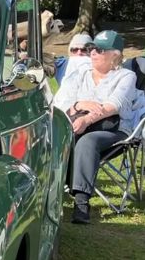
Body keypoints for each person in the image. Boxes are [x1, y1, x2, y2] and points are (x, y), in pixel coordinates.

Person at [53, 30, 137, 224]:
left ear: (115, 55)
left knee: (87, 141)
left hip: (115, 132)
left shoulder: (126, 76)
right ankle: (49, 191)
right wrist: (80, 105)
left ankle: (81, 203)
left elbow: (113, 106)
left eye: (99, 50)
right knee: (58, 135)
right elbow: (66, 102)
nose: (92, 53)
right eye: (91, 48)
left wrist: (86, 119)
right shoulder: (81, 73)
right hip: (79, 124)